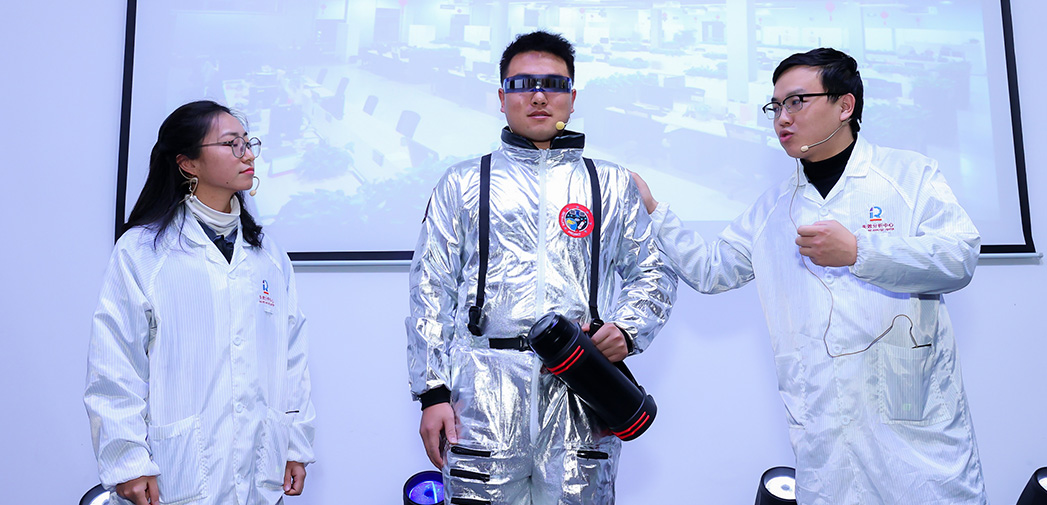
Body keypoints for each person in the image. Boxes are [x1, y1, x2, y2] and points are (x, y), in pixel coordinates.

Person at [632, 48, 987, 504]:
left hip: (914, 431)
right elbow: (711, 270)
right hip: (824, 438)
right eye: (776, 106)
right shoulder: (773, 208)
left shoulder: (908, 175)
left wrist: (860, 252)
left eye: (797, 102)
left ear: (845, 106)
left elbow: (959, 255)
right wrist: (653, 209)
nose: (782, 118)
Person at [406, 31, 676, 504]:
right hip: (482, 398)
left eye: (552, 84)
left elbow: (654, 271)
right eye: (522, 84)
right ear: (501, 97)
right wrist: (433, 393)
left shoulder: (611, 183)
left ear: (572, 97)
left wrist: (628, 329)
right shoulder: (463, 182)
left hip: (581, 393)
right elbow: (431, 287)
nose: (537, 95)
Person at [85, 100, 316, 505]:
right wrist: (128, 461)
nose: (247, 154)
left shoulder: (268, 255)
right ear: (188, 163)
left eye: (247, 142)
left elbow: (291, 358)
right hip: (176, 473)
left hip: (260, 469)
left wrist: (295, 443)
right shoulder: (142, 252)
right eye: (231, 144)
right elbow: (115, 364)